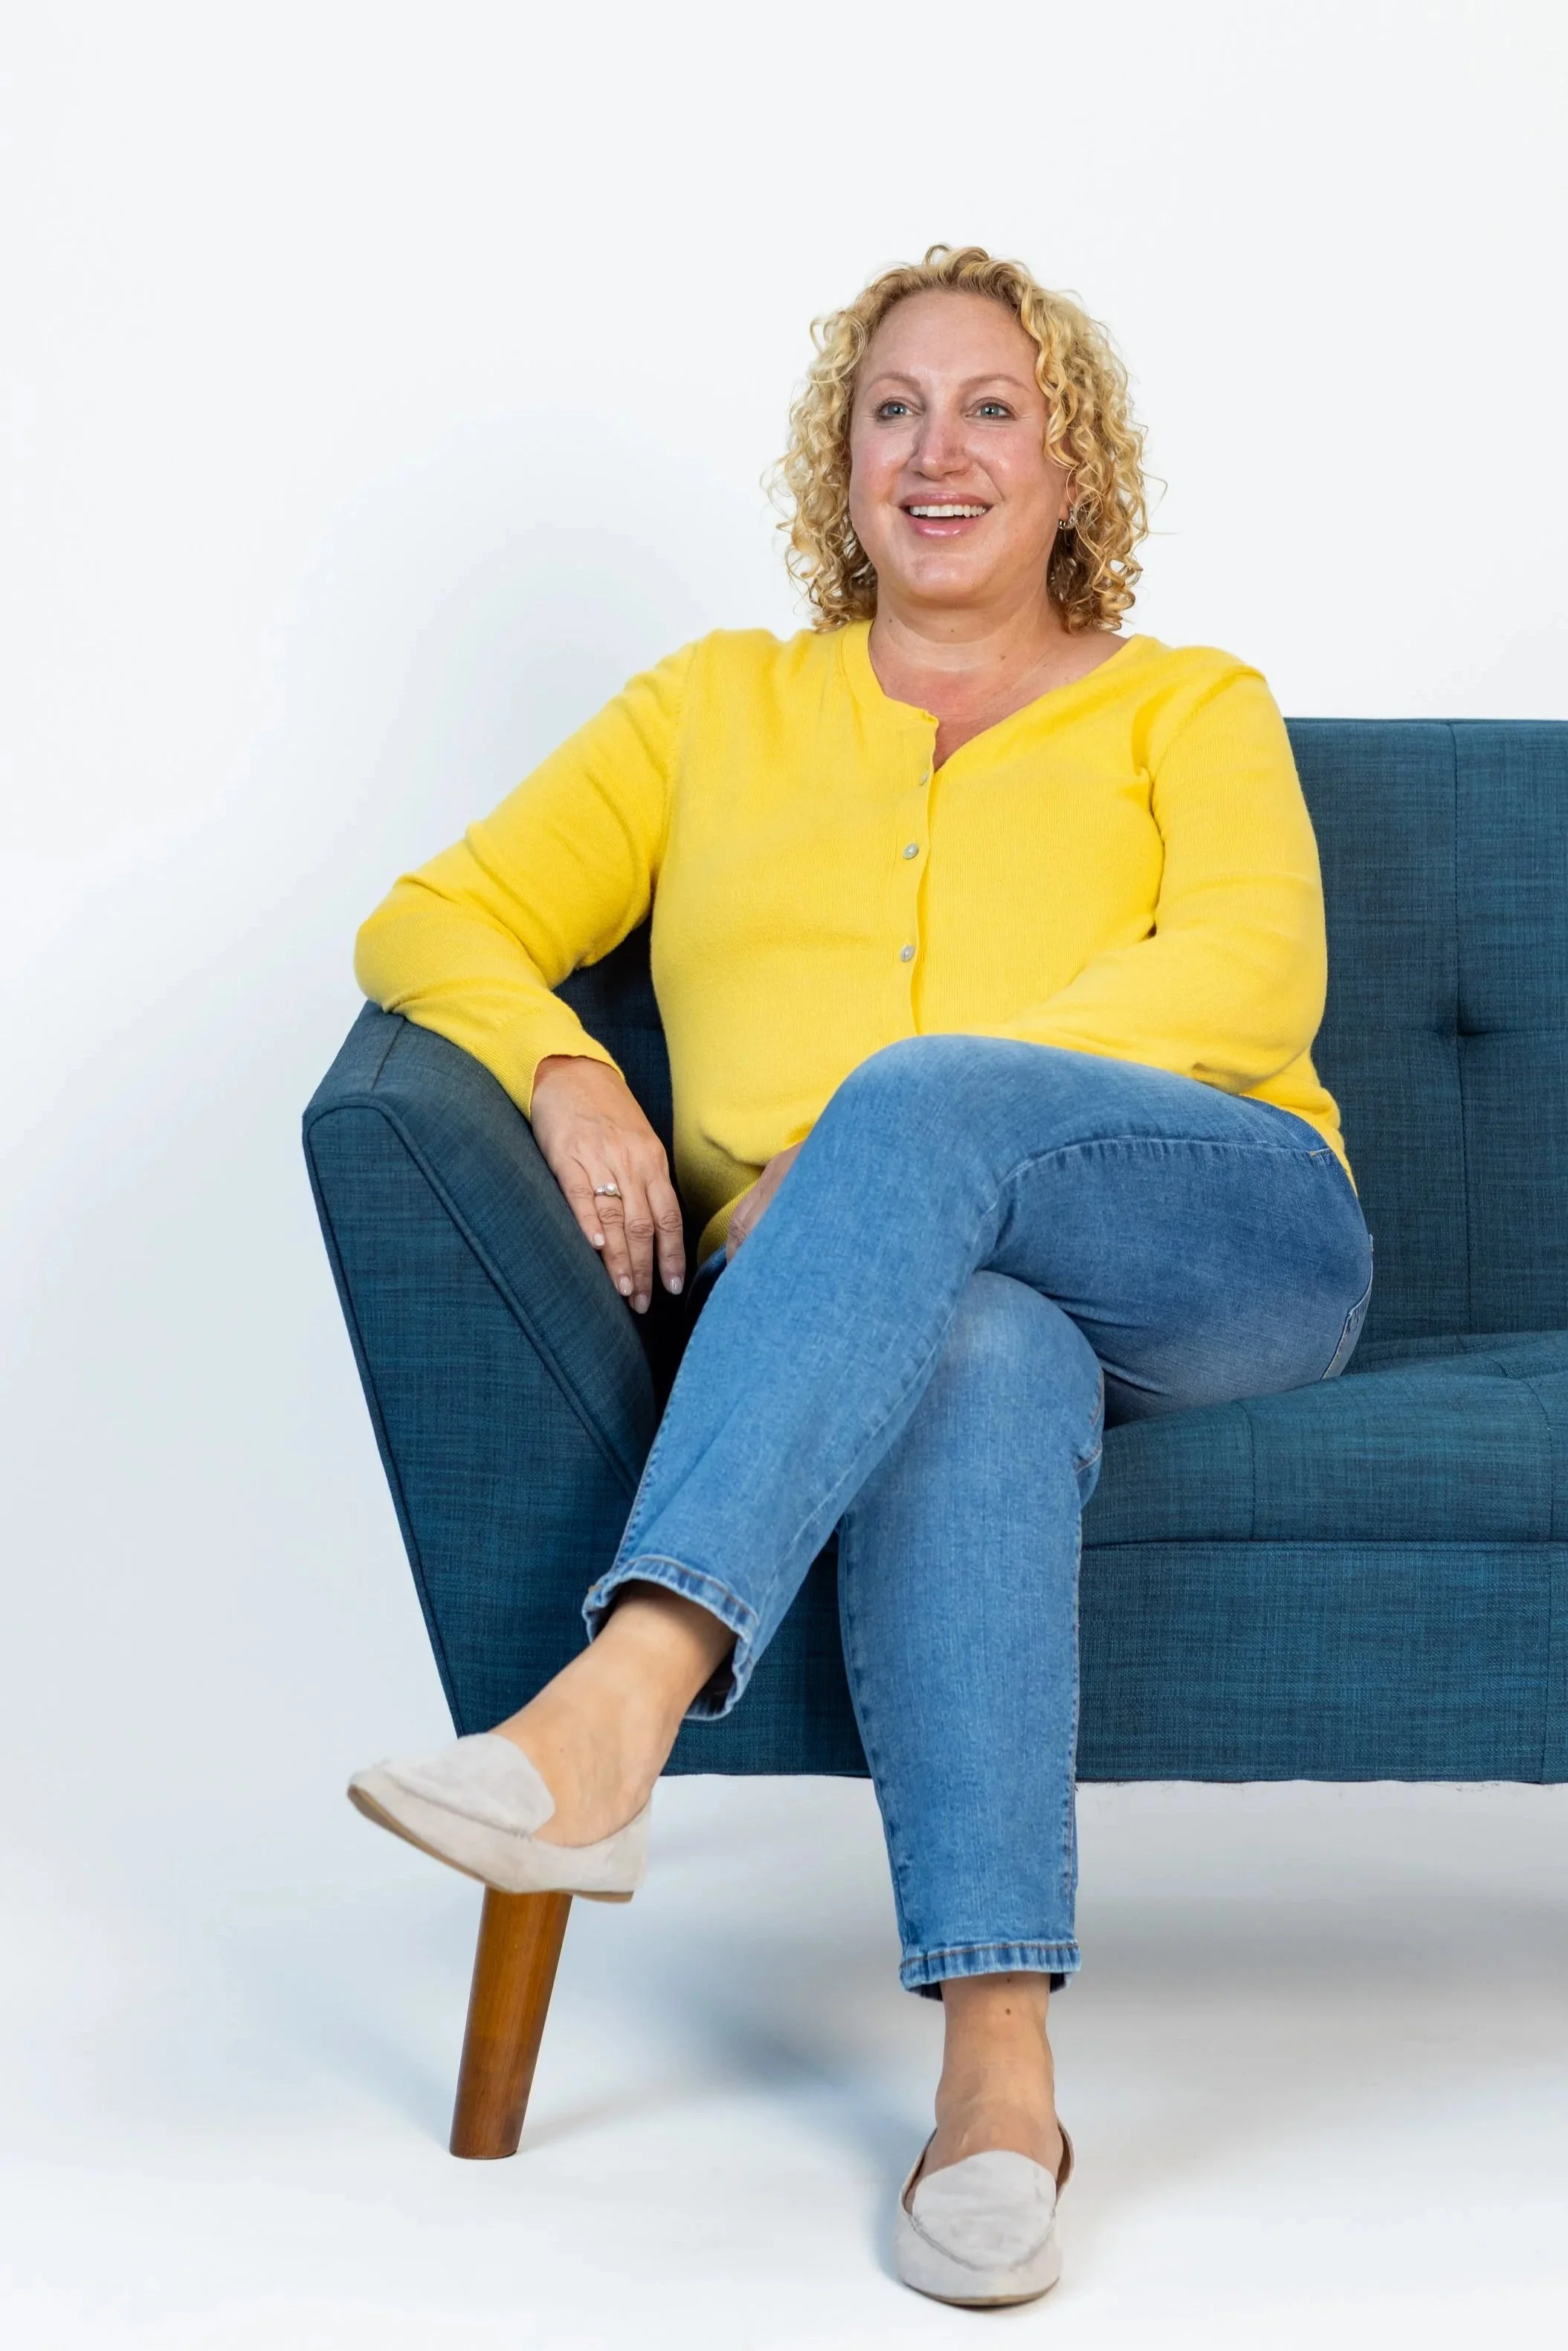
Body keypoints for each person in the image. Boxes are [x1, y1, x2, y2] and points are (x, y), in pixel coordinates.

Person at [345, 244, 1372, 2308]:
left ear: (1070, 462)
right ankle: (999, 2081)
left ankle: (616, 1708)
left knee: (913, 1108)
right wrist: (557, 1066)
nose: (938, 447)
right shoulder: (710, 710)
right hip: (921, 1304)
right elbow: (431, 914)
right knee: (971, 1358)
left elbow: (1252, 972)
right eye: (891, 408)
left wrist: (895, 1132)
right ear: (841, 468)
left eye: (990, 406)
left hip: (1221, 1232)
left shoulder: (1187, 703)